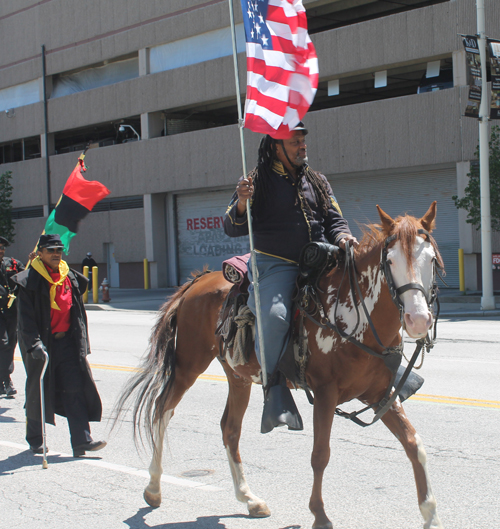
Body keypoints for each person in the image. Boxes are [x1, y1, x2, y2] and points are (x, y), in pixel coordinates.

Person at [224, 122, 358, 433]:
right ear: (276, 146)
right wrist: (243, 202)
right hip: (276, 264)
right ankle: (274, 389)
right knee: (276, 315)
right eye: (295, 142)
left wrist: (345, 239)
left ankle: (382, 367)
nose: (302, 146)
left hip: (321, 259)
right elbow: (232, 226)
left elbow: (334, 219)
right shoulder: (256, 181)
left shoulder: (317, 180)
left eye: (303, 141)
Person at [12, 234, 106, 457]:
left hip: (67, 344)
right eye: (51, 250)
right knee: (38, 391)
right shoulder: (28, 281)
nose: (56, 254)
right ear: (40, 253)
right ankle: (35, 440)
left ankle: (82, 441)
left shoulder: (70, 277)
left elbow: (77, 314)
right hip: (40, 346)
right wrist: (34, 344)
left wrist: (81, 342)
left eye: (59, 250)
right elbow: (25, 318)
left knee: (75, 389)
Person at [0, 236, 25, 397]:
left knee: (10, 344)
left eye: (2, 247)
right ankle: (6, 379)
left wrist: (34, 263)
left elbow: (27, 277)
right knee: (3, 343)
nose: (1, 250)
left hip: (11, 311)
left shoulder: (13, 264)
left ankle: (4, 379)